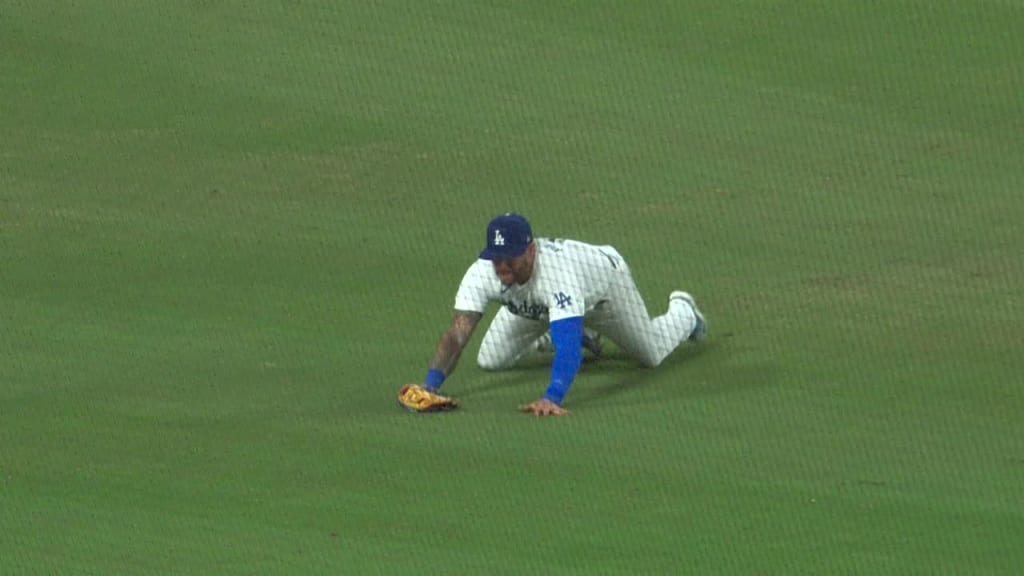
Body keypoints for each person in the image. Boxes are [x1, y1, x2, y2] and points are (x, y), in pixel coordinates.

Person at [418, 212, 706, 416]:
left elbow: (568, 346)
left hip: (605, 294)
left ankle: (684, 312)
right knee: (490, 359)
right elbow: (458, 334)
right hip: (541, 307)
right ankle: (561, 334)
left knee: (651, 353)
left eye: (510, 257)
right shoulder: (482, 272)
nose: (501, 266)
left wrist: (551, 397)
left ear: (530, 251)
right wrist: (430, 386)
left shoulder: (558, 273)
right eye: (496, 257)